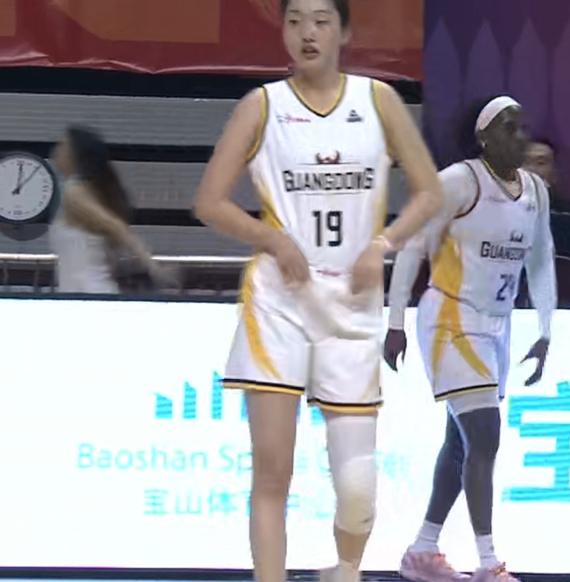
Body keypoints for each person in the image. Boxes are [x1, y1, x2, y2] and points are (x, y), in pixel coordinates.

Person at [192, 1, 445, 581]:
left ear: (344, 31)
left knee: (358, 488)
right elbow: (209, 201)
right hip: (280, 302)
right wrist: (271, 239)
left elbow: (430, 193)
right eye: (295, 21)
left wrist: (383, 243)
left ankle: (344, 571)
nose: (307, 33)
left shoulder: (377, 100)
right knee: (272, 472)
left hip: (353, 304)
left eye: (321, 20)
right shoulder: (262, 106)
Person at [385, 95, 556, 582]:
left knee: (460, 444)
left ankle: (422, 551)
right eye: (508, 127)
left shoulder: (535, 191)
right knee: (485, 435)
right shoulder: (459, 181)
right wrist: (395, 322)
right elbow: (413, 247)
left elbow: (541, 259)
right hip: (451, 319)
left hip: (496, 325)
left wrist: (545, 330)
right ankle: (488, 563)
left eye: (522, 127)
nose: (520, 137)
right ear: (483, 137)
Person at [49, 125, 168, 293]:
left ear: (74, 154)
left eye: (63, 145)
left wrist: (153, 267)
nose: (56, 151)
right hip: (86, 292)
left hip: (87, 293)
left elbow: (115, 226)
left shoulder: (74, 191)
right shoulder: (87, 189)